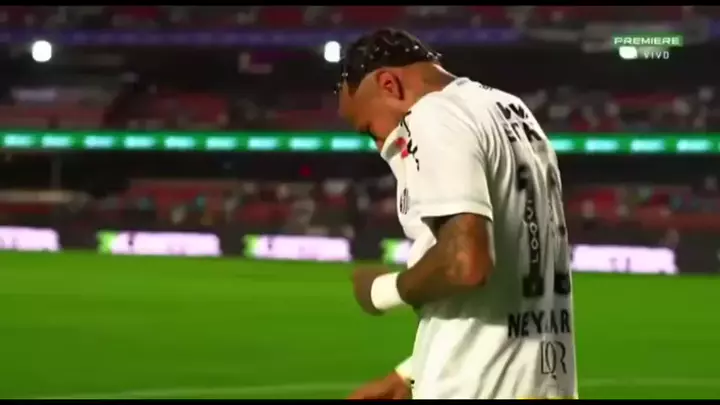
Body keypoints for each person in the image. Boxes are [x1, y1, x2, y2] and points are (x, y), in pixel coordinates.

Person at [337, 28, 578, 400]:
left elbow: (465, 263)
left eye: (370, 130)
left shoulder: (432, 116)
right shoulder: (511, 109)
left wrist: (380, 292)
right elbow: (514, 273)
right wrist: (411, 374)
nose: (379, 145)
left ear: (389, 85)